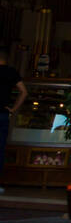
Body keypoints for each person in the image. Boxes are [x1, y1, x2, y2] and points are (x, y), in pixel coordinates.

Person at [0, 45, 27, 193]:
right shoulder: (11, 72)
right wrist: (13, 109)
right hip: (2, 114)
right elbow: (24, 91)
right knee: (0, 149)